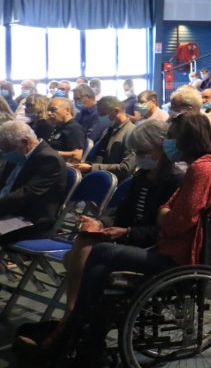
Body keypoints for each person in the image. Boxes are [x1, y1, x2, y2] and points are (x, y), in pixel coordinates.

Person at [55, 112, 211, 365]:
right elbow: (169, 210)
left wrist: (159, 217)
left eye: (172, 137)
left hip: (177, 255)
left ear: (185, 139)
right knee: (96, 254)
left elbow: (177, 221)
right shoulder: (202, 166)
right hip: (170, 246)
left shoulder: (199, 170)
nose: (170, 142)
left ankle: (78, 326)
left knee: (102, 254)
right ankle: (85, 331)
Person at [55, 120, 181, 319]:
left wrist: (127, 232)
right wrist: (102, 223)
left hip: (151, 243)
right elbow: (122, 212)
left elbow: (165, 230)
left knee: (85, 254)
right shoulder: (141, 176)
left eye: (142, 151)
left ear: (161, 148)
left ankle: (74, 315)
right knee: (85, 238)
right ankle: (73, 313)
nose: (138, 155)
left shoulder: (175, 180)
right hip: (130, 235)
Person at [0, 120, 67, 243]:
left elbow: (25, 194)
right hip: (8, 211)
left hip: (27, 220)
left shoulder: (49, 160)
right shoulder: (18, 154)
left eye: (7, 149)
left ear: (25, 142)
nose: (4, 154)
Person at [74, 96, 135, 178]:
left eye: (103, 115)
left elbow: (126, 168)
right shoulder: (108, 130)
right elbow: (99, 156)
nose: (100, 118)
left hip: (112, 182)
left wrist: (92, 168)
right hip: (97, 176)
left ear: (116, 111)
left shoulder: (131, 133)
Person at [46, 96, 88, 164]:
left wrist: (52, 153)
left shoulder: (74, 129)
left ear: (67, 110)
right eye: (48, 110)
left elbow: (77, 156)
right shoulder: (59, 126)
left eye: (53, 109)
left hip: (60, 168)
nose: (49, 113)